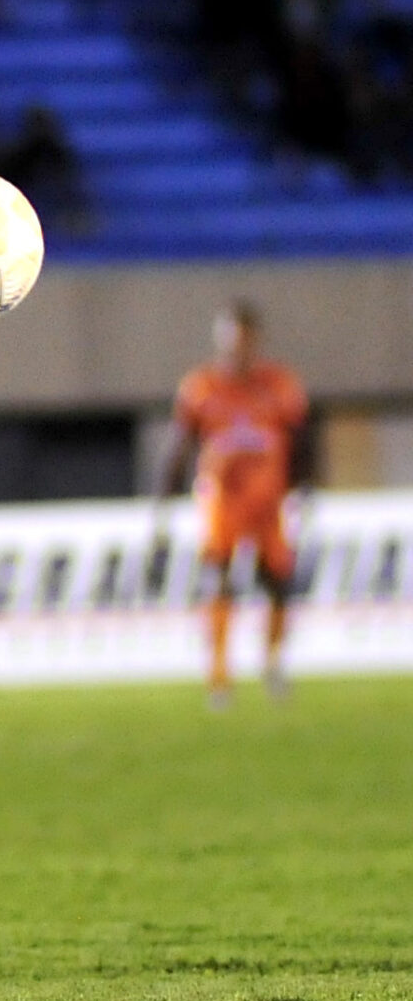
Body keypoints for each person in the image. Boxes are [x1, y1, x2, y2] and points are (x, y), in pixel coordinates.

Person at [158, 302, 310, 712]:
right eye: (230, 339)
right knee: (219, 578)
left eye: (243, 339)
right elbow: (180, 447)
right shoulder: (202, 387)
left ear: (254, 340)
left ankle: (274, 663)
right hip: (222, 498)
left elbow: (300, 440)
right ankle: (220, 675)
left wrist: (304, 488)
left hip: (268, 498)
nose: (236, 349)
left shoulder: (278, 384)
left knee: (278, 582)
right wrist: (163, 502)